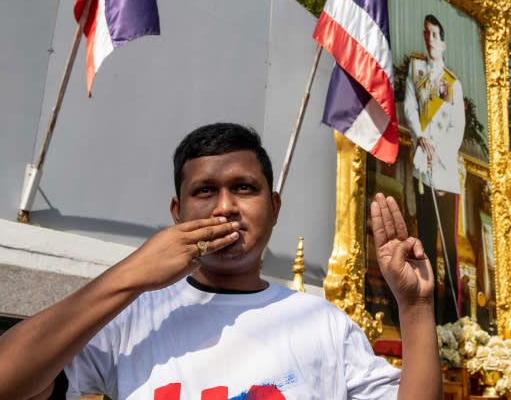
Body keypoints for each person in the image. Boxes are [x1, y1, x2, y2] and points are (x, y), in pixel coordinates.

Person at [0, 123, 441, 400]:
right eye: (205, 191)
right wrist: (132, 273)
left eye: (244, 189)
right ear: (178, 211)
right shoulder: (131, 317)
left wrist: (416, 308)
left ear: (275, 207)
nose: (225, 207)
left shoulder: (324, 323)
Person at [403, 14, 465, 324]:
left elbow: (457, 128)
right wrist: (421, 137)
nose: (429, 39)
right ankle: (427, 315)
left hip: (445, 173)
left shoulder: (453, 83)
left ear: (443, 42)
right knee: (425, 242)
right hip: (421, 169)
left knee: (449, 248)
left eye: (434, 34)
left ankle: (453, 316)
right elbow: (409, 107)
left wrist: (438, 162)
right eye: (425, 33)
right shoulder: (416, 71)